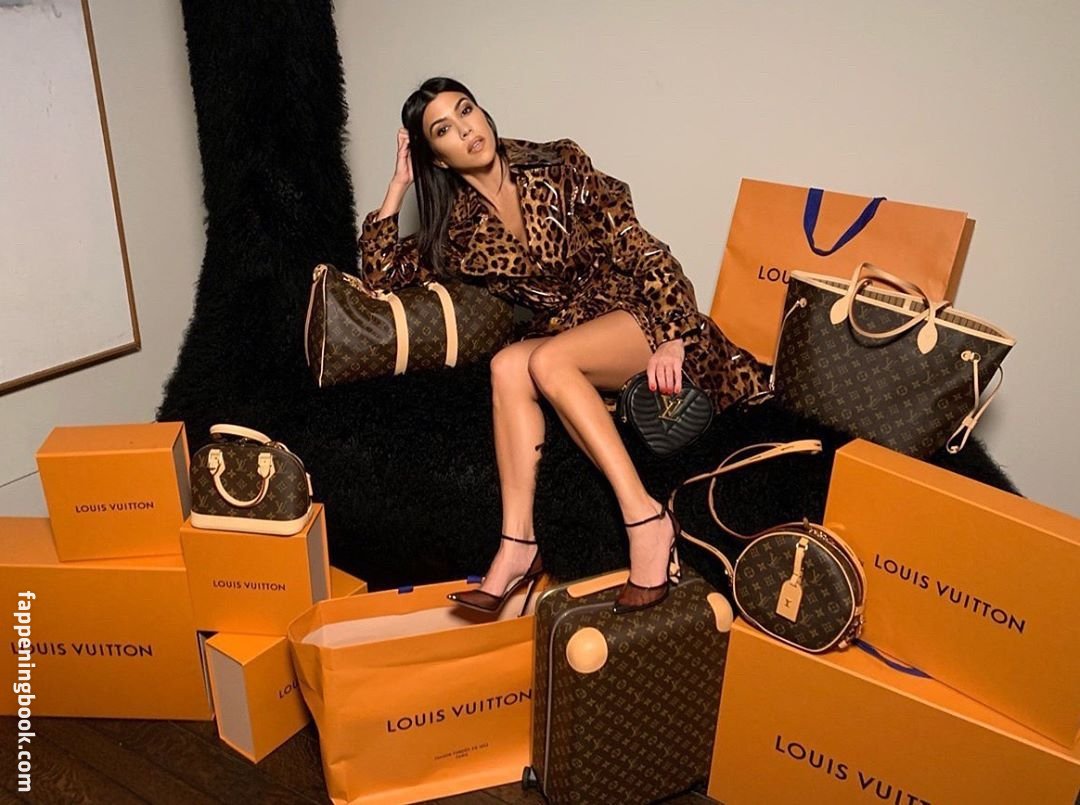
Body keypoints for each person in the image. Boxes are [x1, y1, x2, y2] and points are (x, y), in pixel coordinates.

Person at [359, 77, 766, 615]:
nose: (466, 129)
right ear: (436, 157)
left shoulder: (559, 163)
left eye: (467, 110)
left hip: (637, 312)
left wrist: (674, 336)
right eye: (444, 129)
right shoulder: (457, 229)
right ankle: (518, 544)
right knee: (507, 365)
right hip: (571, 333)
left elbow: (642, 248)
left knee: (548, 359)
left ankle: (646, 519)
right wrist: (397, 188)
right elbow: (382, 279)